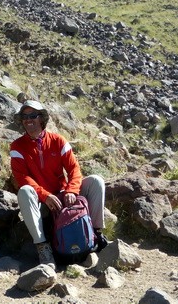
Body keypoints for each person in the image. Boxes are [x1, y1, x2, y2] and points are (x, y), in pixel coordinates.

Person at [9, 100, 107, 268]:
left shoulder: (58, 140)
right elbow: (22, 177)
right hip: (40, 201)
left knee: (96, 181)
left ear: (42, 118)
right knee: (24, 191)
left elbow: (74, 169)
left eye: (33, 115)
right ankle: (43, 247)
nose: (28, 119)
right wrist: (45, 196)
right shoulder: (17, 146)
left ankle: (96, 234)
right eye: (24, 116)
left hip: (63, 193)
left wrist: (72, 190)